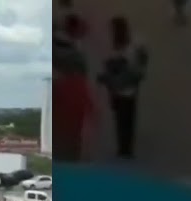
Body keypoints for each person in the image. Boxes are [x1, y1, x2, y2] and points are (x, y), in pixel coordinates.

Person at [97, 16, 149, 160]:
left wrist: (105, 78)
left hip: (121, 88)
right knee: (126, 118)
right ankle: (126, 148)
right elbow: (143, 60)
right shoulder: (133, 45)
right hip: (126, 88)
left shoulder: (122, 48)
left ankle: (124, 148)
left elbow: (111, 68)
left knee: (122, 118)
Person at [56, 12, 97, 162]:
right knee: (71, 139)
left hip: (65, 97)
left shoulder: (61, 45)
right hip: (71, 98)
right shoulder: (73, 53)